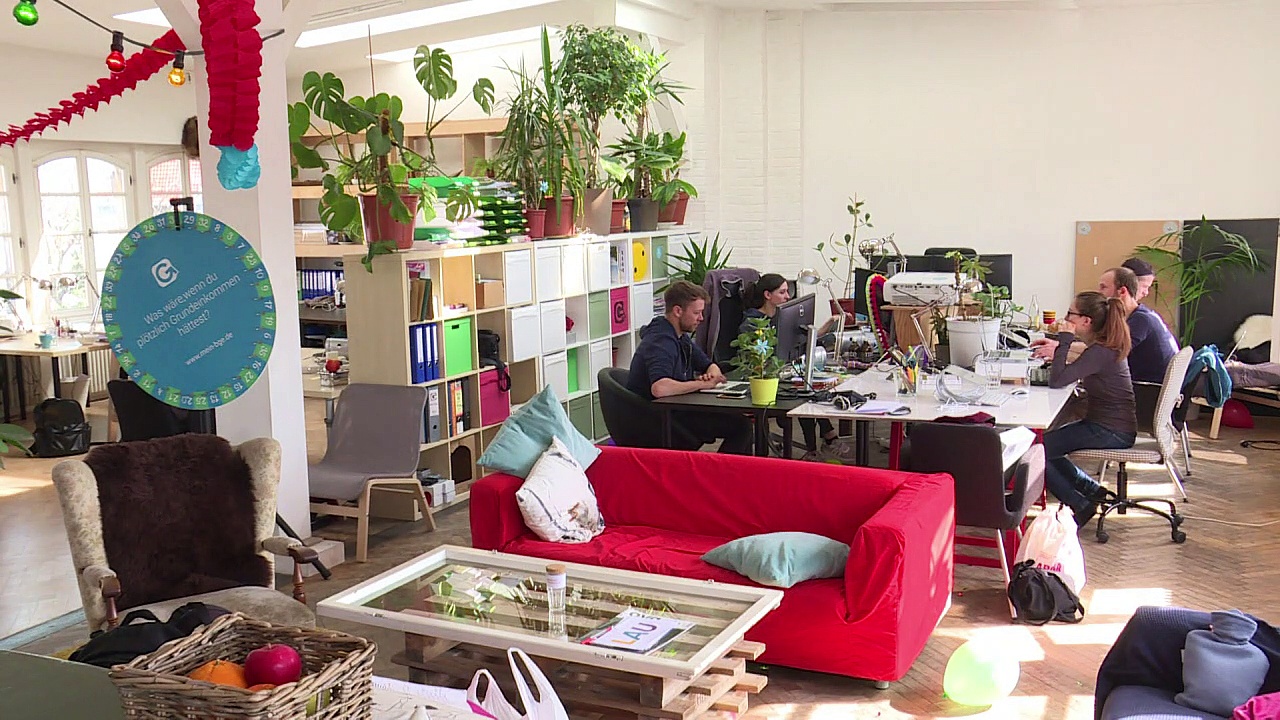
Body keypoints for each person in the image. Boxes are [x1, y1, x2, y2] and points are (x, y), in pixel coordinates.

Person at [1042, 291, 1137, 529]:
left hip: (1111, 430)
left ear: (1086, 321)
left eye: (1070, 314)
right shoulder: (1102, 347)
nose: (1066, 318)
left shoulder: (1100, 351)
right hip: (1108, 425)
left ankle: (1080, 504)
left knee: (1037, 450)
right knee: (1044, 446)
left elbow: (1058, 380)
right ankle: (1092, 490)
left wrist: (1064, 339)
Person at [628, 280, 754, 454]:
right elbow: (660, 388)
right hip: (657, 420)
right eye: (696, 313)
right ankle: (720, 471)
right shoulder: (660, 341)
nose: (701, 318)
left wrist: (711, 375)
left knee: (741, 422)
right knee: (741, 426)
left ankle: (725, 470)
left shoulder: (680, 336)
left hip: (676, 410)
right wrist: (702, 384)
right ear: (678, 311)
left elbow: (710, 365)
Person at [738, 274, 854, 461]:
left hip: (787, 371)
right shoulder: (753, 323)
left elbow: (805, 338)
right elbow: (757, 359)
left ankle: (824, 441)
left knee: (812, 387)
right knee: (805, 393)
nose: (787, 297)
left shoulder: (783, 317)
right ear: (767, 295)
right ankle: (822, 443)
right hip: (765, 379)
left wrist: (830, 322)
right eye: (782, 292)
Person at [1033, 266, 1178, 383]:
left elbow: (1101, 359)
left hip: (1146, 391)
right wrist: (1059, 346)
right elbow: (1098, 351)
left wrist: (1060, 352)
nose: (1099, 292)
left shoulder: (1140, 321)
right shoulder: (1138, 315)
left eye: (1103, 287)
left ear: (1122, 291)